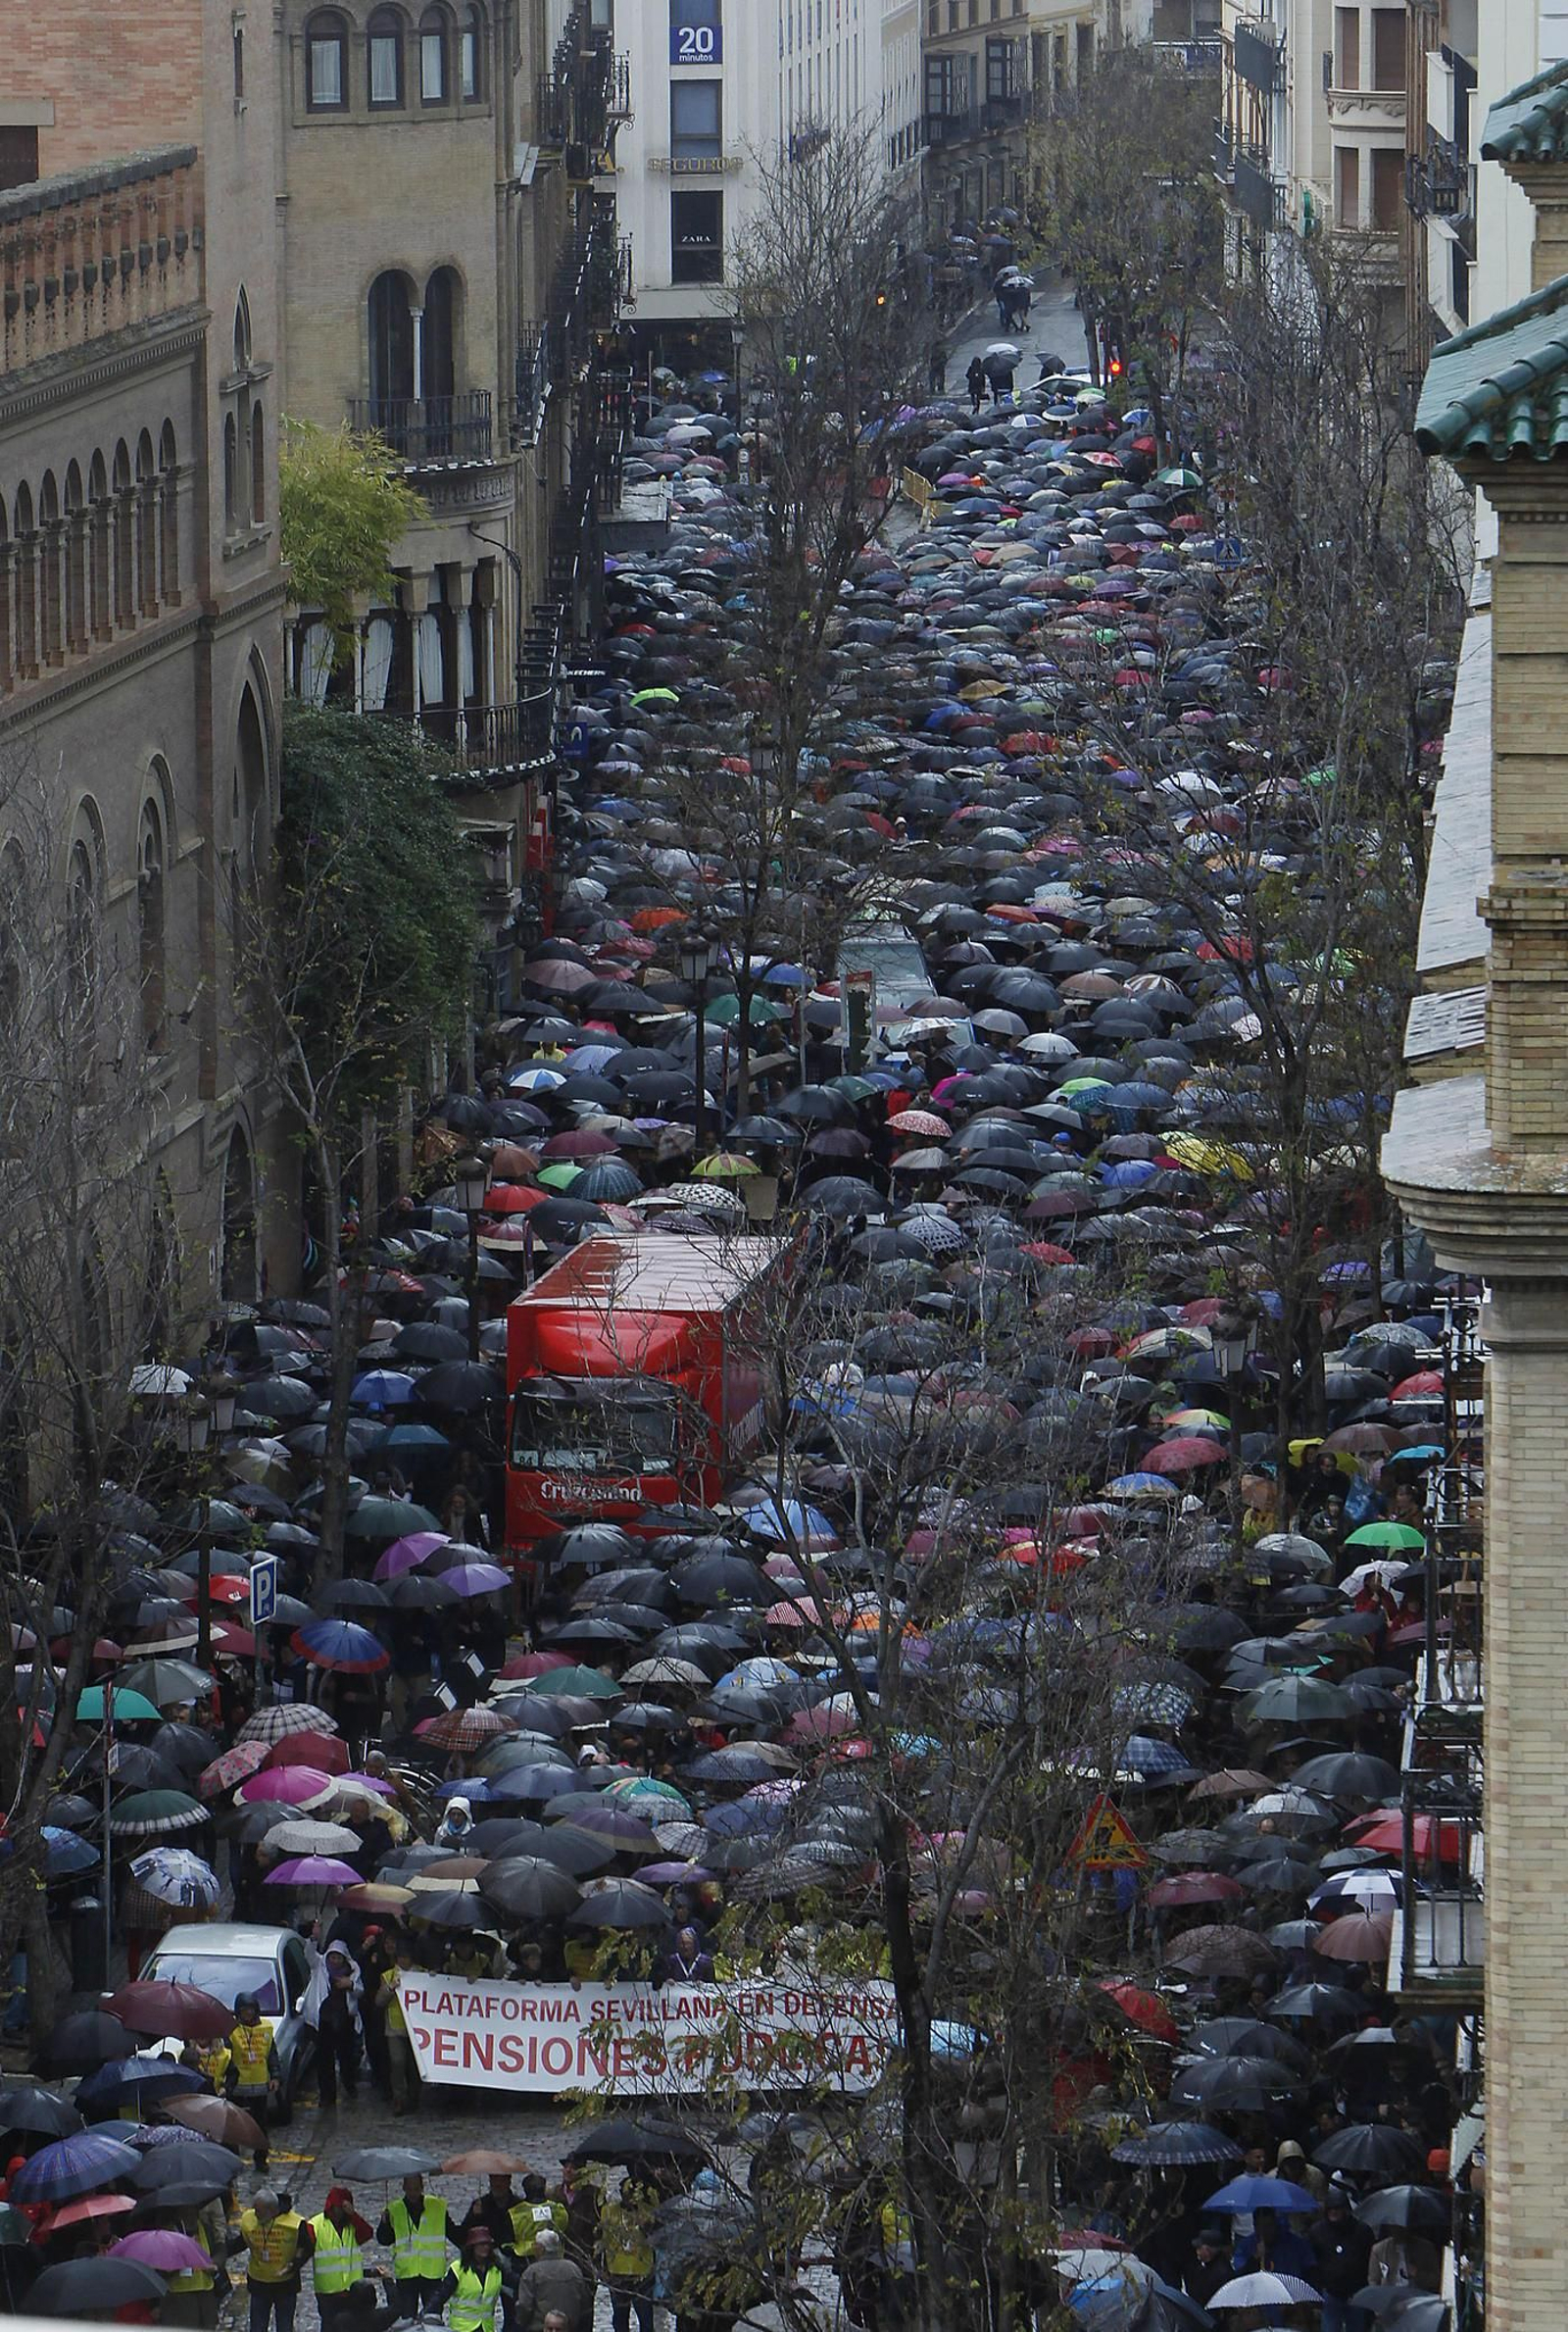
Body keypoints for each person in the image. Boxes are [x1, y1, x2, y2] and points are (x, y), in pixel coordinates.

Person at [376, 2173, 455, 2318]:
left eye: (416, 2188)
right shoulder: (394, 2209)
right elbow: (384, 2239)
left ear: (422, 2187)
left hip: (432, 2273)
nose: (413, 2193)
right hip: (407, 2273)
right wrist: (385, 2224)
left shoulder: (436, 2206)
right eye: (410, 2189)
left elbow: (454, 2233)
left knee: (433, 2319)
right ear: (404, 2188)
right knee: (407, 2319)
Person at [304, 2189, 373, 2332]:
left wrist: (353, 2216)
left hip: (353, 2292)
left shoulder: (352, 2225)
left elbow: (367, 2233)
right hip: (328, 2293)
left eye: (341, 2209)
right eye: (335, 2208)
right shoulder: (315, 2225)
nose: (337, 2213)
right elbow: (304, 2250)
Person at [236, 2188, 305, 2332]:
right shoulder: (250, 2220)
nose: (255, 2214)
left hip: (286, 2284)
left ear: (272, 2210)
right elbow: (241, 2242)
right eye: (255, 2209)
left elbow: (307, 2247)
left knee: (285, 2326)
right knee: (257, 2326)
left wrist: (294, 2265)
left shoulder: (295, 2224)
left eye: (259, 2211)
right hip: (259, 2283)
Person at [307, 1941, 364, 2108]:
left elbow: (360, 1991)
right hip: (325, 2019)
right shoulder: (319, 1966)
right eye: (332, 1957)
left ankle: (349, 2084)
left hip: (345, 2019)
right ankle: (327, 2095)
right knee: (324, 2059)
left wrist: (350, 1984)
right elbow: (309, 1954)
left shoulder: (354, 1970)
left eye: (338, 1957)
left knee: (346, 2056)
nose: (335, 1960)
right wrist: (313, 1938)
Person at [225, 1994, 280, 2167]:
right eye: (244, 2011)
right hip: (237, 2084)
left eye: (250, 2010)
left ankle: (260, 2157)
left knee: (260, 2125)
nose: (248, 2014)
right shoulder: (232, 2030)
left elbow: (272, 2055)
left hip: (259, 2083)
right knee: (233, 2125)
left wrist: (276, 2076)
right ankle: (233, 2158)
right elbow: (227, 2056)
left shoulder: (266, 2028)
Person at [597, 2177, 657, 2332]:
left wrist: (646, 2226)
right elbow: (602, 2240)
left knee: (646, 2320)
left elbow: (657, 2239)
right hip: (616, 2272)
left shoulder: (648, 2211)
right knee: (619, 2319)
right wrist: (601, 2268)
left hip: (642, 2273)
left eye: (634, 2193)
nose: (630, 2198)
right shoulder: (609, 2211)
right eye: (628, 2193)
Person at [1310, 2189, 1373, 2332]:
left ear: (1345, 2209)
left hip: (1356, 2293)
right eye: (1330, 2209)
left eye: (1337, 2208)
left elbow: (1368, 2258)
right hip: (1331, 2293)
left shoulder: (1362, 2231)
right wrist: (1319, 2287)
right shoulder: (1317, 2232)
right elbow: (1314, 2262)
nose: (1334, 2212)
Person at [436, 2224, 514, 2332]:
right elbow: (440, 2296)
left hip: (486, 2327)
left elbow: (516, 2283)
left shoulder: (496, 2269)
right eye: (481, 2244)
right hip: (462, 2328)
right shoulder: (458, 2269)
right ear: (472, 2247)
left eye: (487, 2244)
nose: (485, 2247)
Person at [512, 2232, 590, 2332]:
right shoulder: (573, 2269)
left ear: (541, 2248)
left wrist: (521, 2323)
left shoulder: (532, 2272)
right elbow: (585, 2303)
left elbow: (524, 2306)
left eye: (535, 2244)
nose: (533, 2248)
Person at [379, 1936, 421, 2114]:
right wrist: (390, 1989)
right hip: (395, 2026)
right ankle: (399, 2098)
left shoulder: (421, 1973)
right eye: (400, 1957)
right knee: (397, 2062)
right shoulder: (388, 1976)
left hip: (418, 2028)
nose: (403, 1960)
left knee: (415, 2066)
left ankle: (414, 2098)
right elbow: (379, 2001)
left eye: (406, 1957)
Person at [509, 2175, 568, 2264]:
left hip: (525, 2256)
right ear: (544, 2188)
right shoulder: (558, 2209)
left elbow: (510, 2236)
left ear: (525, 2190)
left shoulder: (516, 2212)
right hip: (555, 2254)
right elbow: (564, 2228)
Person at [1183, 2227, 1230, 2308]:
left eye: (1199, 2248)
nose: (1197, 2251)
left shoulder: (1221, 2272)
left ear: (1208, 2250)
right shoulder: (1200, 2265)